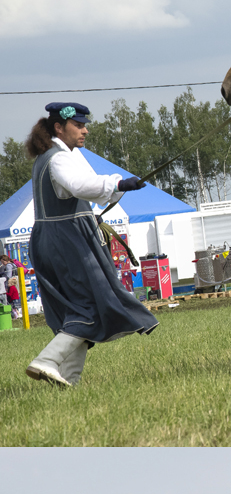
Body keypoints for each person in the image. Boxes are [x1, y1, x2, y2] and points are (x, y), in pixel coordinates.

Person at [23, 101, 157, 387]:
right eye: (78, 125)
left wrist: (116, 186)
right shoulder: (58, 158)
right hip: (67, 240)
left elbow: (86, 184)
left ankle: (68, 381)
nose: (85, 130)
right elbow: (80, 186)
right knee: (91, 305)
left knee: (76, 309)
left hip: (53, 238)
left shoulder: (52, 156)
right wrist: (118, 184)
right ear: (59, 127)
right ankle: (46, 361)